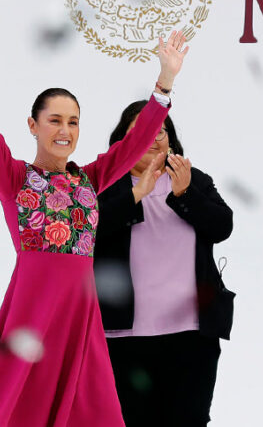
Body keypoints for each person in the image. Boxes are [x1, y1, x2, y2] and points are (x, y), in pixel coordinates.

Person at [0, 19, 187, 426]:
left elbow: (132, 146)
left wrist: (164, 83)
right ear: (33, 125)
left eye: (73, 121)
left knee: (93, 406)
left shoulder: (89, 179)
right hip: (33, 308)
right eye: (55, 120)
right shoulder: (15, 179)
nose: (65, 130)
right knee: (13, 403)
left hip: (79, 313)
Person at [94, 102, 234, 427]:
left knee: (191, 420)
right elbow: (91, 231)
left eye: (161, 130)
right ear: (121, 142)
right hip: (123, 337)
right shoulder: (104, 186)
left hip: (192, 334)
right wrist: (136, 193)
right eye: (141, 131)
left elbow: (222, 226)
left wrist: (184, 194)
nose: (154, 137)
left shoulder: (194, 180)